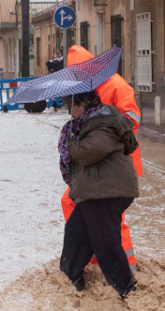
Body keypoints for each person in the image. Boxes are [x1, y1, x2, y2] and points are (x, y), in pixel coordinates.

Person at [63, 45, 143, 271]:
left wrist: (101, 128)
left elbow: (132, 119)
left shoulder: (116, 85)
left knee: (111, 218)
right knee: (72, 202)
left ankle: (125, 266)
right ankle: (94, 258)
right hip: (92, 162)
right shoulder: (82, 90)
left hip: (116, 163)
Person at [58, 91, 138, 297]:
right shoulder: (88, 123)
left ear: (83, 104)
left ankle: (128, 291)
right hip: (93, 193)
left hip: (108, 192)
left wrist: (69, 143)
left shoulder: (103, 122)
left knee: (105, 244)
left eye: (71, 106)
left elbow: (88, 152)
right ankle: (70, 281)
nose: (69, 111)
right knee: (76, 236)